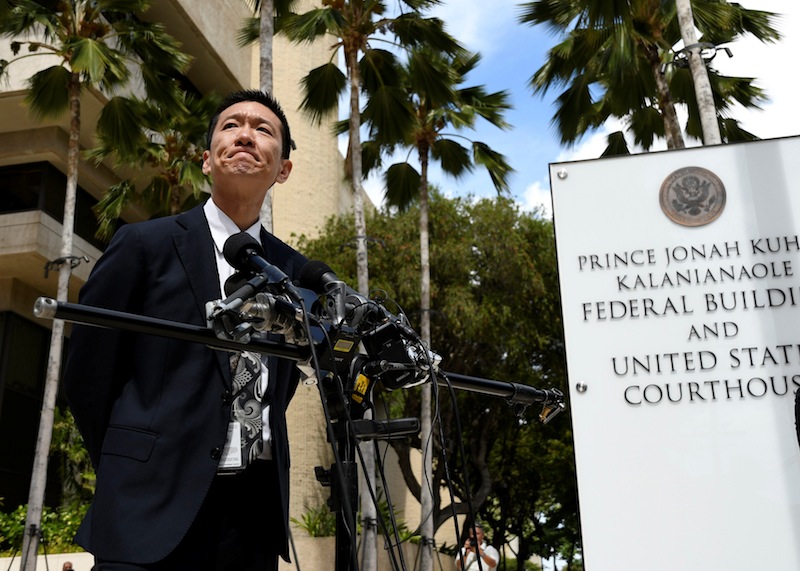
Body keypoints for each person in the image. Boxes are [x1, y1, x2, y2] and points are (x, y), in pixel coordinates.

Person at [64, 89, 308, 570]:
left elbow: (284, 382)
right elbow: (87, 376)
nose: (245, 135)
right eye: (230, 125)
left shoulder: (294, 272)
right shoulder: (142, 245)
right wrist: (133, 465)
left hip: (252, 521)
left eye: (263, 130)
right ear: (206, 160)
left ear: (283, 170)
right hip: (146, 509)